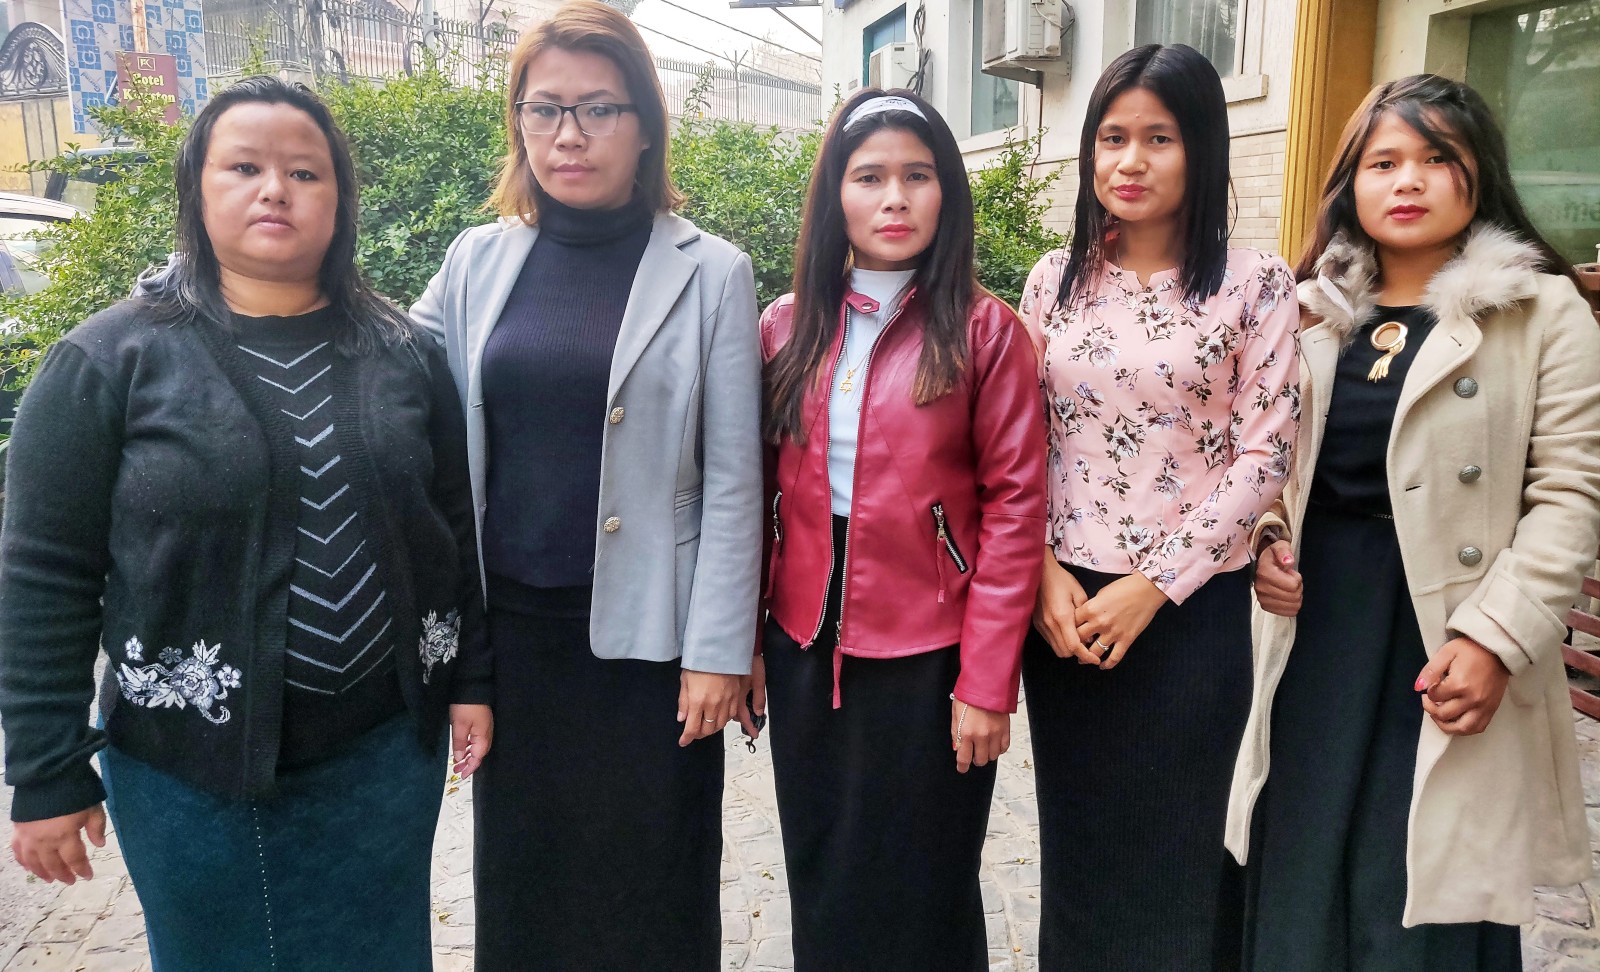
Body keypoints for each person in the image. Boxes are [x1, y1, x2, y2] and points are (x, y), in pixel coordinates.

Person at [0, 76, 489, 972]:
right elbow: (43, 572)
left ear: (339, 199)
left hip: (383, 759)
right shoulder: (108, 362)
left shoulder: (405, 355)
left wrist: (472, 679)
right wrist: (46, 769)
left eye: (304, 172)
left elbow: (454, 530)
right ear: (196, 187)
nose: (275, 190)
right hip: (191, 775)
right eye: (244, 167)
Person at [409, 3, 763, 969]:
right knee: (525, 889)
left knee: (652, 892)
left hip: (653, 651)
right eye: (545, 108)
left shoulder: (711, 272)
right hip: (514, 644)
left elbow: (736, 481)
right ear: (519, 122)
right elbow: (391, 366)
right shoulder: (477, 260)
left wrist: (718, 651)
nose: (569, 134)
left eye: (599, 108)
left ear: (644, 124)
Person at [1234, 74, 1600, 972]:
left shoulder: (1540, 309)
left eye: (1437, 158)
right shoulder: (1308, 310)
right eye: (1383, 161)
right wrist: (1266, 539)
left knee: (1416, 882)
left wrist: (1495, 639)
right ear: (1350, 184)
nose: (1408, 180)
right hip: (1316, 630)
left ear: (1481, 173)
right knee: (1302, 854)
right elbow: (1264, 462)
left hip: (1448, 630)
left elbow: (1570, 494)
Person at [1016, 44, 1301, 970]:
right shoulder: (1052, 281)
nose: (1129, 161)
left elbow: (1266, 452)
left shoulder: (1255, 284)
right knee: (1078, 851)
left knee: (1175, 859)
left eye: (1159, 138)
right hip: (1066, 616)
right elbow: (1020, 441)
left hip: (1187, 613)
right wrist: (1040, 571)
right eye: (1111, 138)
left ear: (1203, 147)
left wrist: (1152, 585)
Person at [757, 87, 1046, 971]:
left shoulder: (987, 332)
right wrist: (751, 645)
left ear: (946, 191)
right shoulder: (783, 326)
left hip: (931, 648)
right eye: (870, 176)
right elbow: (754, 495)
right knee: (822, 870)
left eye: (917, 176)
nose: (894, 198)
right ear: (835, 194)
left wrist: (987, 682)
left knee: (925, 881)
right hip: (806, 637)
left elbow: (1016, 510)